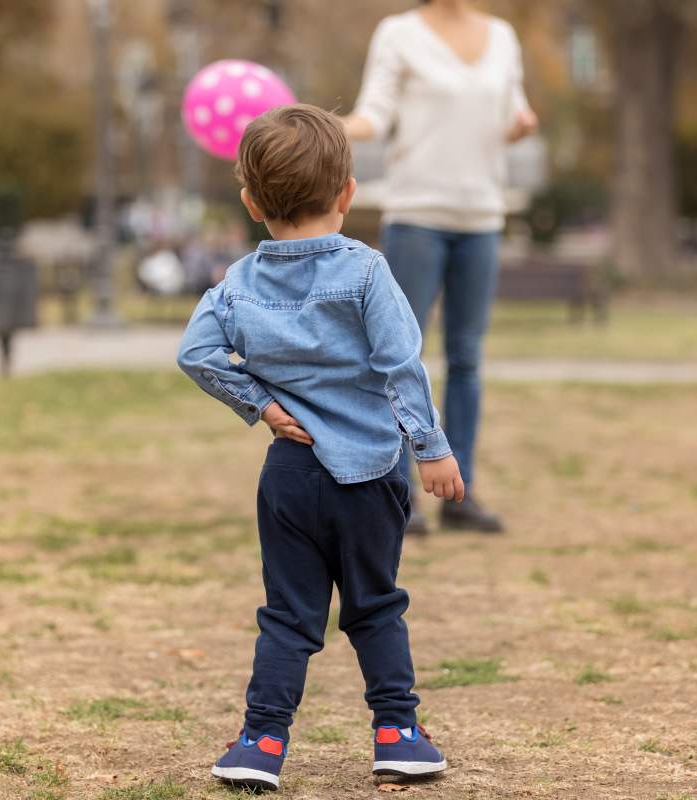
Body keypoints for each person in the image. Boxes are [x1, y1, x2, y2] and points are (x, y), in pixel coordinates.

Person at [177, 104, 462, 791]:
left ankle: (260, 743)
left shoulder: (237, 282)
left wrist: (264, 406)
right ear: (348, 193)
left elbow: (196, 354)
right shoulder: (366, 273)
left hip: (291, 477)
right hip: (369, 474)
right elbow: (402, 366)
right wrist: (431, 448)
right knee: (374, 605)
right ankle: (397, 734)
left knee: (288, 613)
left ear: (250, 202)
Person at [342, 0, 538, 534]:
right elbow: (374, 116)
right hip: (417, 215)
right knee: (401, 355)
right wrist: (323, 125)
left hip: (482, 215)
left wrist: (521, 126)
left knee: (467, 358)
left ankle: (460, 495)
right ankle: (399, 493)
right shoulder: (398, 33)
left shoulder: (502, 36)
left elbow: (511, 115)